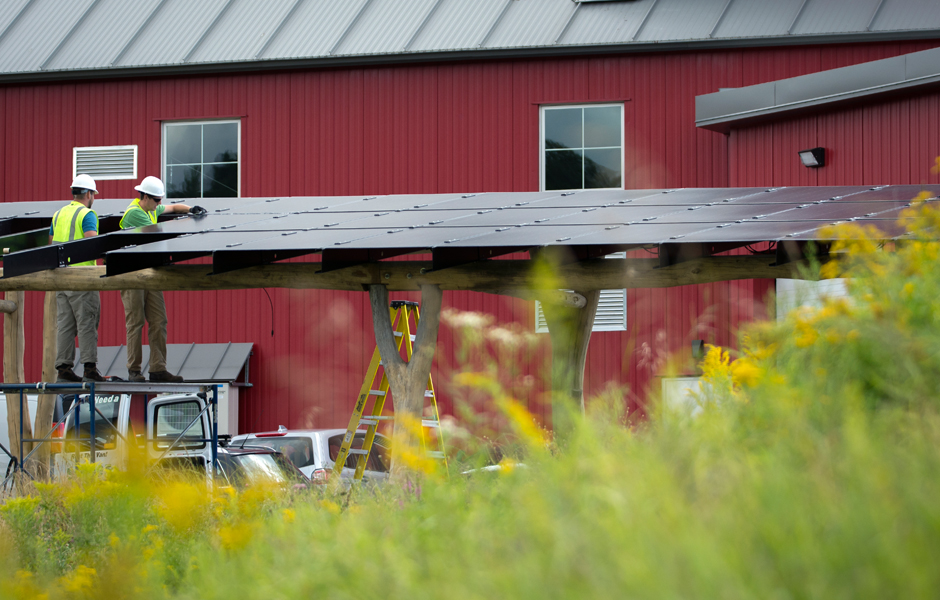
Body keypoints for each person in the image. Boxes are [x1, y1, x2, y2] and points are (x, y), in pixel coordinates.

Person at [119, 176, 205, 383]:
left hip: (149, 274)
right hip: (132, 275)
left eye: (159, 201)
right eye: (156, 200)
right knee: (136, 322)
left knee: (159, 320)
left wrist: (190, 209)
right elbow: (160, 236)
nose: (159, 204)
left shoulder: (150, 208)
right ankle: (134, 371)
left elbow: (173, 207)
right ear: (145, 197)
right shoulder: (136, 215)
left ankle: (158, 368)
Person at [52, 174, 106, 383]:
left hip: (61, 278)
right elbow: (92, 244)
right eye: (94, 194)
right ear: (89, 194)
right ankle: (90, 369)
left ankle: (63, 368)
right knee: (87, 322)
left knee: (65, 324)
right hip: (82, 278)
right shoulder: (87, 215)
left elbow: (51, 243)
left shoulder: (58, 214)